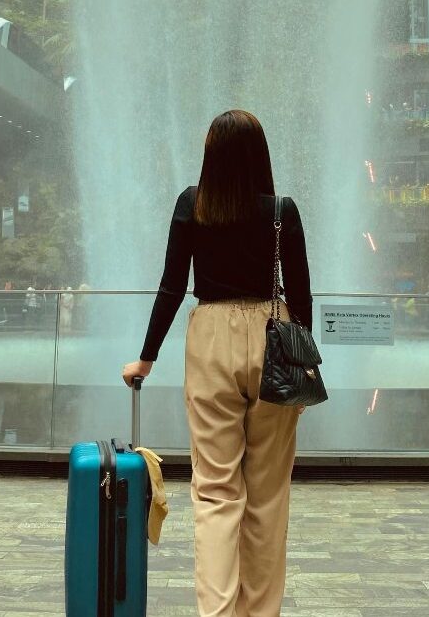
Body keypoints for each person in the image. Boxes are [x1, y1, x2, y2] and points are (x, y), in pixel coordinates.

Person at [121, 110, 312, 616]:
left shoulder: (193, 205)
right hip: (274, 341)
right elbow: (302, 295)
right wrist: (303, 372)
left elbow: (171, 286)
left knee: (215, 492)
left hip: (209, 341)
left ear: (212, 156)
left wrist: (146, 358)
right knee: (268, 496)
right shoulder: (282, 211)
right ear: (260, 155)